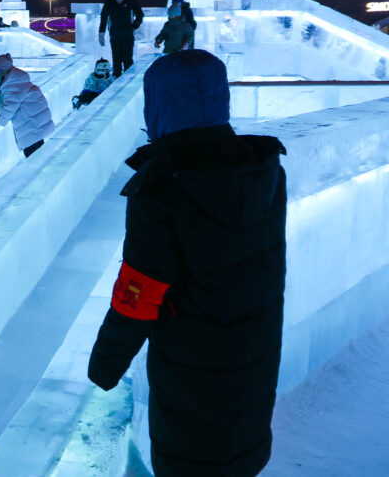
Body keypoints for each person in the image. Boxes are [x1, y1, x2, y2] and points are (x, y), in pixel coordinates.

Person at [87, 49, 287, 477]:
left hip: (191, 372)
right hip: (254, 356)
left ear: (157, 105)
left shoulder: (161, 189)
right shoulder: (265, 169)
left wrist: (104, 365)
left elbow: (137, 295)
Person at [0, 53, 54, 157]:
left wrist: (1, 122)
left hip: (30, 124)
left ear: (1, 71)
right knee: (38, 151)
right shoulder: (15, 80)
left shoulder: (12, 85)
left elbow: (9, 107)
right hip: (33, 123)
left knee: (33, 156)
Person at [99, 0, 144, 77]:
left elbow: (140, 15)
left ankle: (129, 80)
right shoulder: (109, 2)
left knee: (127, 59)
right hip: (114, 35)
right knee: (116, 60)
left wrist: (134, 26)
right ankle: (116, 81)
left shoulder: (131, 1)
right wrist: (101, 33)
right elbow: (103, 18)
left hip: (127, 35)